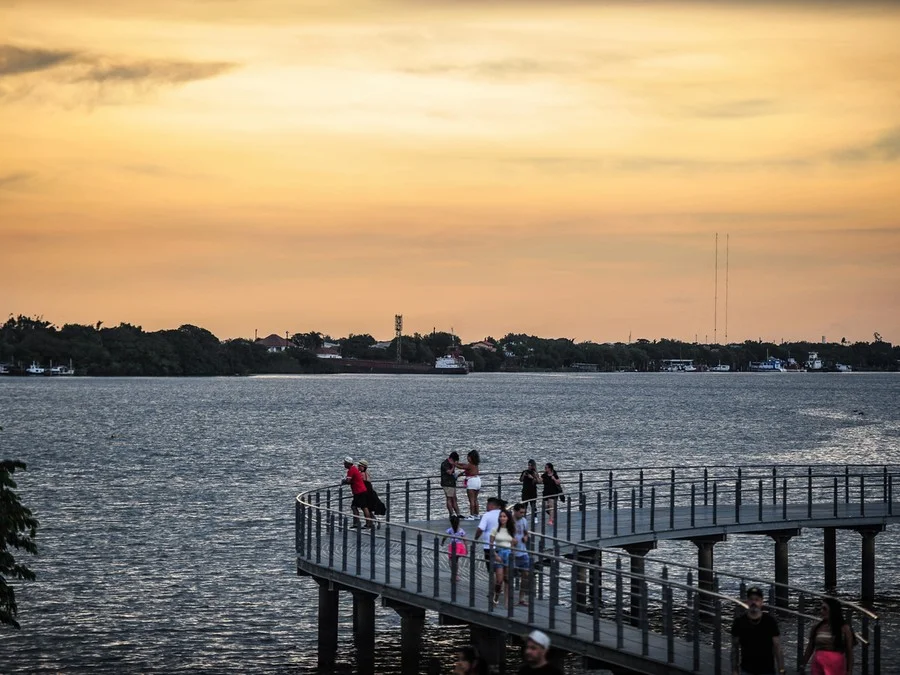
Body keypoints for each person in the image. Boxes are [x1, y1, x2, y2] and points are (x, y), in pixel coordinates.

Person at [731, 586, 785, 675]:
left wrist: (781, 669)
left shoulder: (770, 621)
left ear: (761, 602)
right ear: (747, 601)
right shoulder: (739, 622)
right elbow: (734, 648)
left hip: (768, 670)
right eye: (751, 599)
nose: (754, 602)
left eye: (757, 599)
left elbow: (777, 647)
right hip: (747, 670)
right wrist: (734, 670)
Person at [799, 597, 854, 675]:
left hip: (836, 664)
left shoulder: (844, 628)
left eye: (824, 609)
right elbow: (810, 647)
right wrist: (803, 665)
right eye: (821, 609)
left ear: (833, 610)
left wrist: (849, 670)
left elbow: (849, 651)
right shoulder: (817, 627)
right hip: (818, 664)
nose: (822, 611)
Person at [489, 509, 518, 606]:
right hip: (499, 553)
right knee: (499, 580)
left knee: (507, 579)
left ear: (508, 518)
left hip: (508, 553)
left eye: (504, 516)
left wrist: (513, 553)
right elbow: (491, 544)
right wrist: (495, 555)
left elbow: (513, 544)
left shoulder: (512, 529)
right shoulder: (495, 529)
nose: (502, 518)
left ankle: (507, 601)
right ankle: (496, 596)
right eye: (501, 516)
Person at [475, 497, 504, 574]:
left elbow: (480, 529)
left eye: (487, 505)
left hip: (489, 546)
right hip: (503, 545)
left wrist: (476, 538)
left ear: (491, 506)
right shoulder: (504, 514)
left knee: (491, 570)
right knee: (501, 568)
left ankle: (493, 584)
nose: (486, 507)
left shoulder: (487, 515)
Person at [342, 457, 372, 529]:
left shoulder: (351, 470)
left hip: (359, 491)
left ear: (348, 464)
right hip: (360, 491)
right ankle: (357, 523)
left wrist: (343, 481)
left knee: (363, 507)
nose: (344, 464)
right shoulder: (354, 469)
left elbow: (348, 481)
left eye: (345, 463)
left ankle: (367, 524)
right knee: (355, 507)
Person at [512, 503, 532, 606]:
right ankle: (508, 597)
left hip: (523, 551)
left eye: (524, 512)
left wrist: (526, 537)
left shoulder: (524, 520)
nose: (522, 514)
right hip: (511, 553)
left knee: (526, 575)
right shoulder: (509, 521)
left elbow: (526, 532)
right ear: (515, 511)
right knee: (508, 576)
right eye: (521, 512)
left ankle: (521, 597)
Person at [357, 460, 386, 526]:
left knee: (366, 507)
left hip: (366, 493)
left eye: (359, 466)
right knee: (368, 508)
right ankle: (374, 520)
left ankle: (370, 523)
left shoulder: (362, 474)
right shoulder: (367, 473)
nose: (358, 467)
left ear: (363, 467)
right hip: (370, 492)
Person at [442, 514, 467, 582]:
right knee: (456, 561)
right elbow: (465, 540)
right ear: (459, 522)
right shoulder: (461, 530)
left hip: (452, 546)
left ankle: (453, 574)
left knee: (450, 560)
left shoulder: (450, 530)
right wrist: (466, 548)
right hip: (459, 546)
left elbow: (445, 537)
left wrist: (442, 542)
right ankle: (456, 575)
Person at [457, 450, 482, 520]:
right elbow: (464, 466)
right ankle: (477, 514)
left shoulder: (470, 465)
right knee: (475, 499)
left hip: (472, 481)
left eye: (468, 457)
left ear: (471, 458)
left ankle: (471, 515)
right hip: (477, 480)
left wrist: (454, 464)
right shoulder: (475, 464)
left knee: (471, 500)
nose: (467, 458)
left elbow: (461, 467)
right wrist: (458, 463)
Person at [441, 451, 462, 518]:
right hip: (447, 484)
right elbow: (449, 472)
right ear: (451, 459)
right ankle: (452, 514)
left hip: (452, 483)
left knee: (454, 499)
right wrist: (453, 465)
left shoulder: (451, 463)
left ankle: (458, 514)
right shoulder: (445, 464)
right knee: (449, 498)